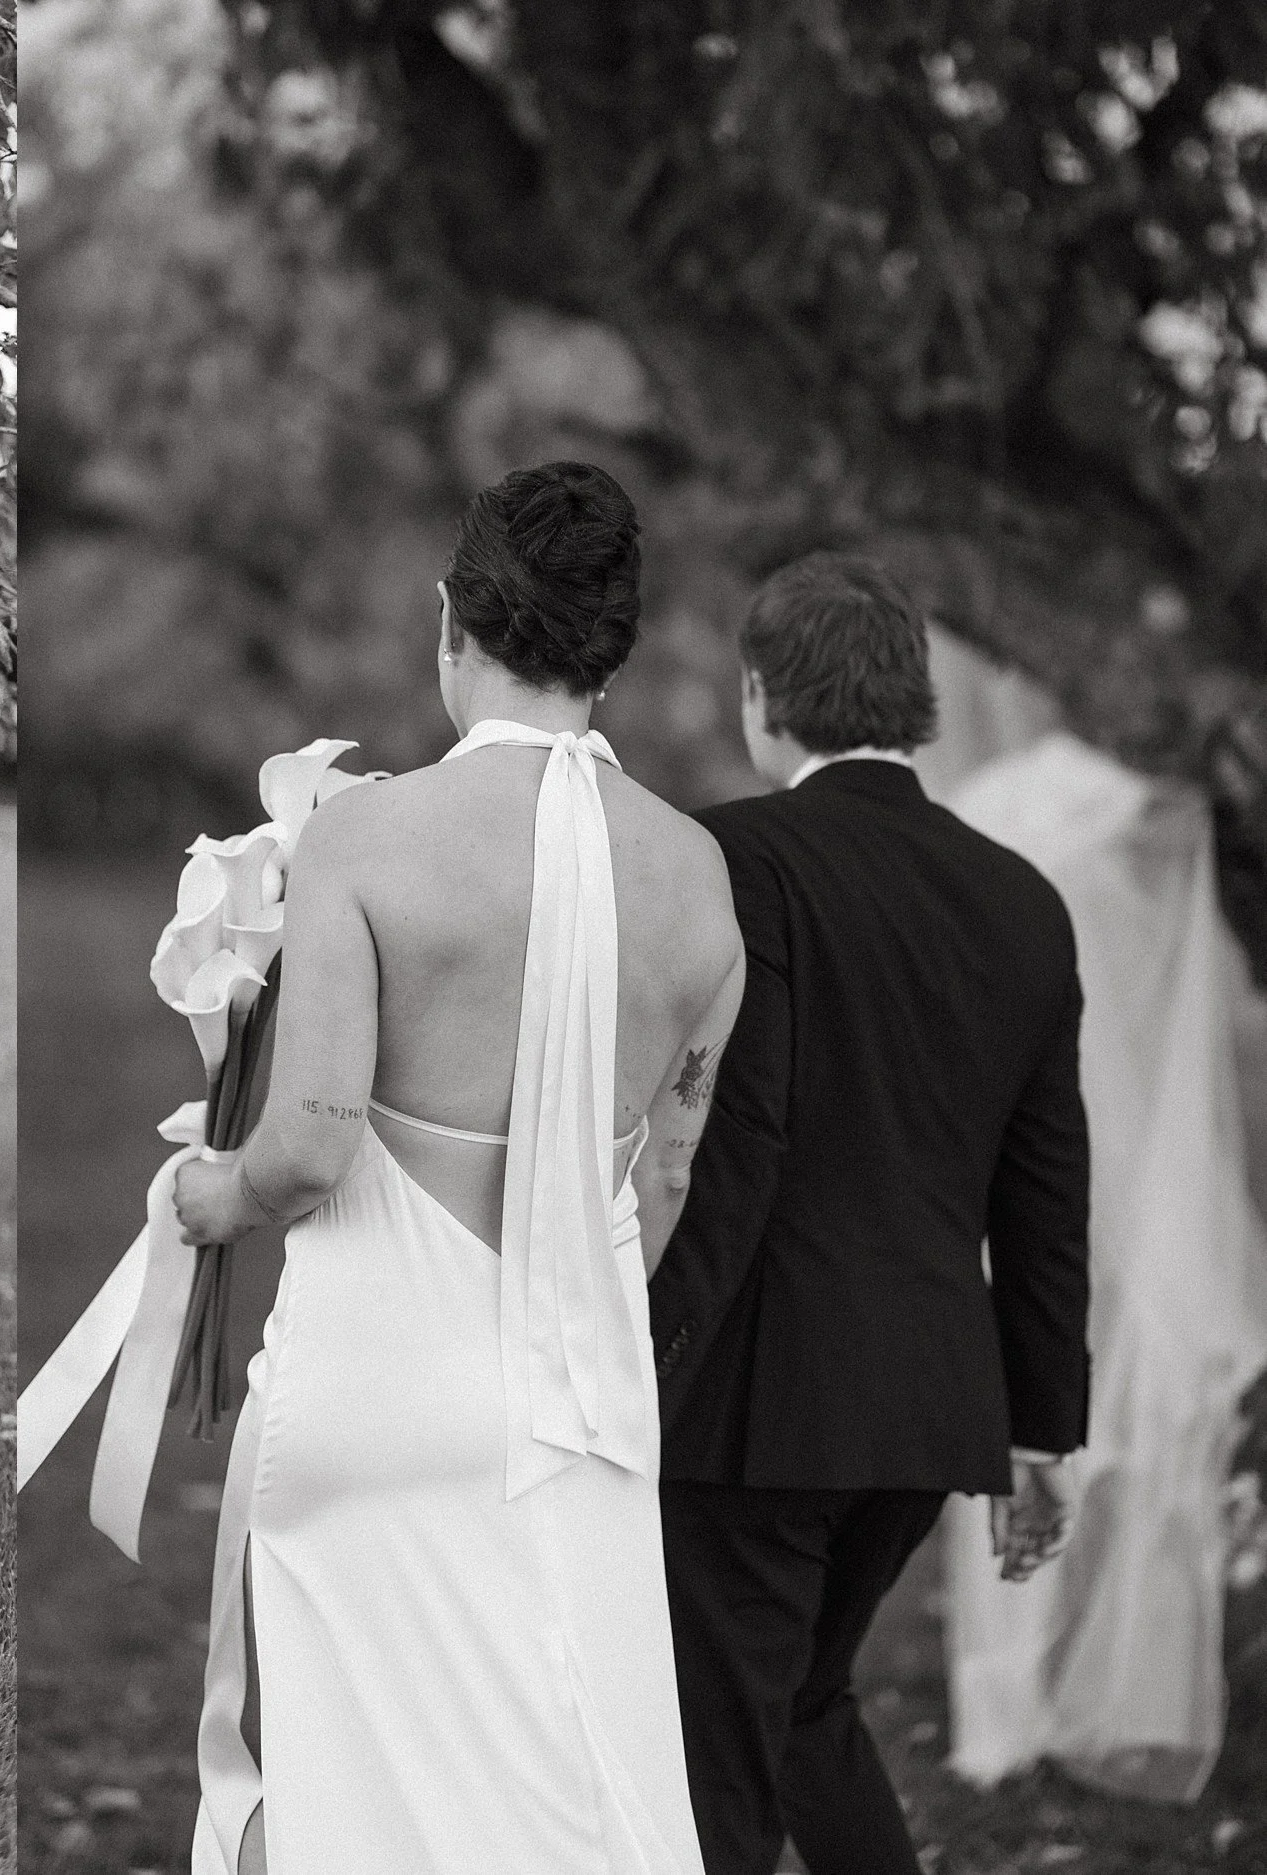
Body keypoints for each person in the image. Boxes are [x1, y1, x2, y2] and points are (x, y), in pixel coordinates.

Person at [172, 461, 744, 1874]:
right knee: (565, 1790)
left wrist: (208, 1191)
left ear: (453, 622)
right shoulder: (698, 878)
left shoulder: (367, 835)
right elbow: (663, 1178)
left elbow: (305, 1146)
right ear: (613, 641)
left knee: (334, 1786)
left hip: (376, 1381)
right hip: (581, 1402)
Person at [648, 552, 1092, 1875]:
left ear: (762, 696)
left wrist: (647, 1352)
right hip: (926, 1407)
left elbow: (721, 1140)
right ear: (917, 697)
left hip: (751, 1400)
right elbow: (1047, 1181)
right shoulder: (1022, 899)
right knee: (802, 1707)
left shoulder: (734, 858)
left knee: (715, 1752)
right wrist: (1040, 1428)